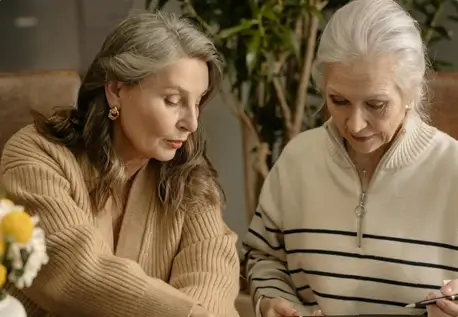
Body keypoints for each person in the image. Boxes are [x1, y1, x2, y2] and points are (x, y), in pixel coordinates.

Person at [0, 11, 240, 317]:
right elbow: (75, 271)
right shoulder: (36, 154)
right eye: (172, 100)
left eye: (197, 102)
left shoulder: (187, 172)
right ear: (116, 90)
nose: (191, 123)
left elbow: (212, 266)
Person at [243, 0, 458, 316]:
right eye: (338, 100)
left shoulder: (453, 169)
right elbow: (264, 257)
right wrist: (273, 300)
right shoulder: (297, 160)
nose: (355, 124)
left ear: (412, 91)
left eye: (376, 104)